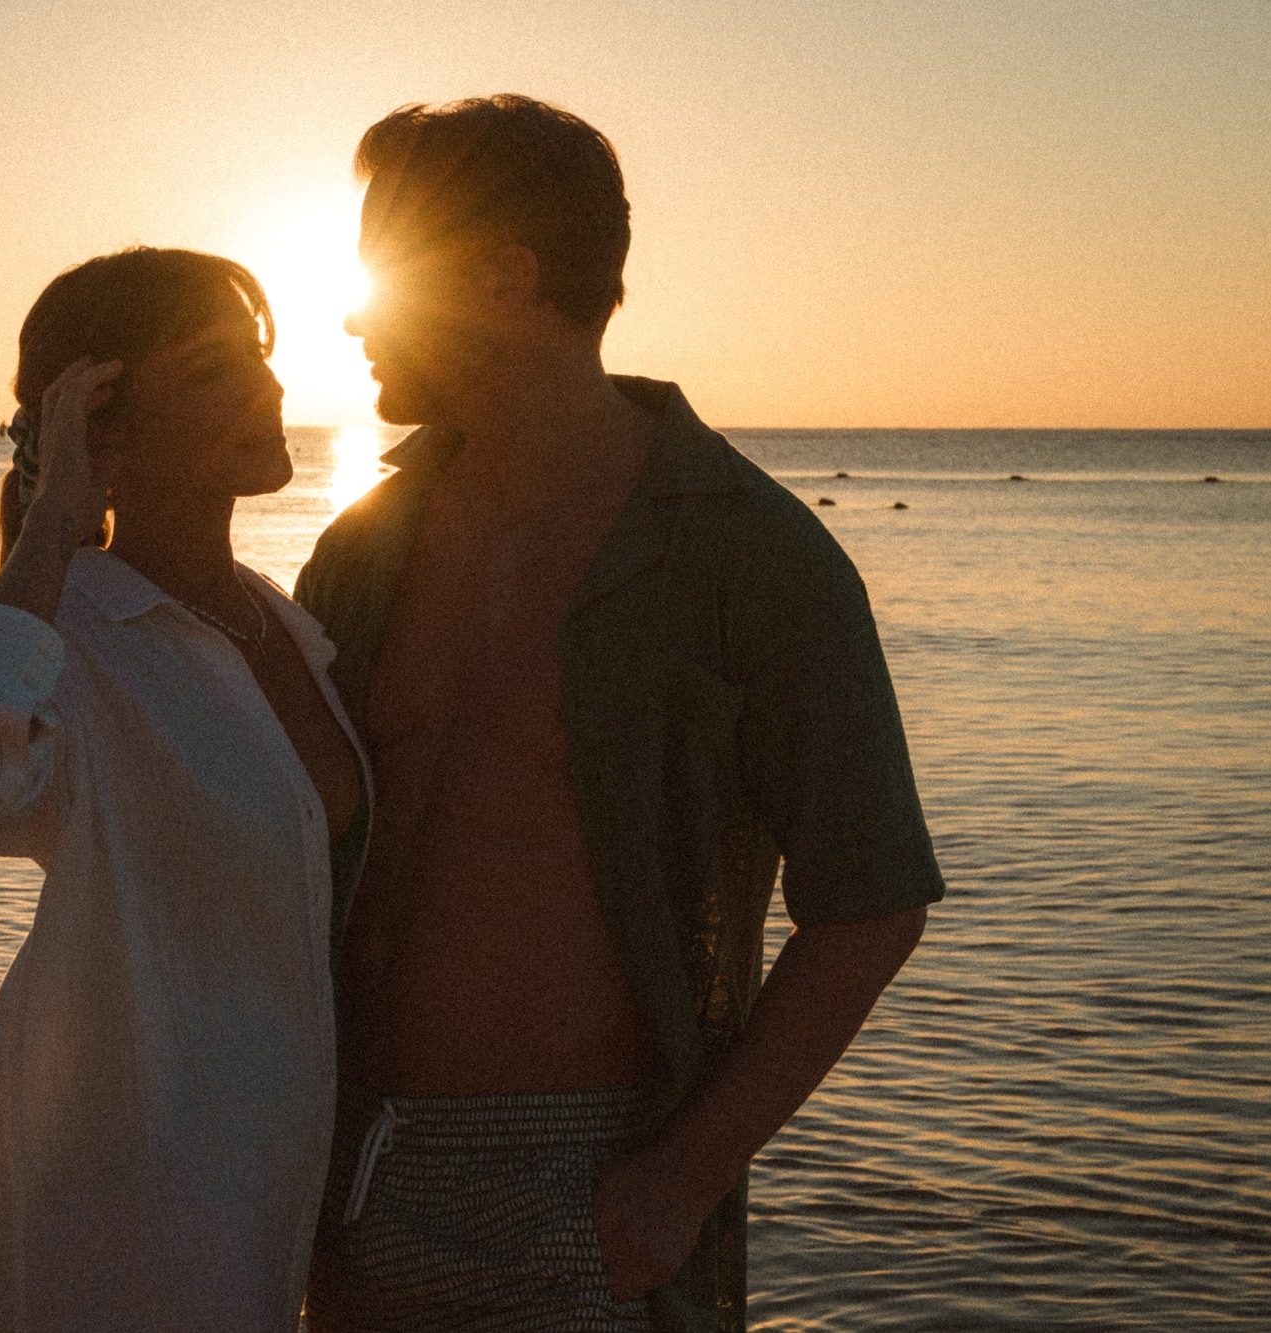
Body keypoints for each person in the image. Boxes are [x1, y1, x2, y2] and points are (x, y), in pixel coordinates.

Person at [294, 96, 946, 1333]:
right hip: (339, 1160)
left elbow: (870, 903)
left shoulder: (747, 554)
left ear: (500, 277)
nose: (351, 313)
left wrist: (671, 1184)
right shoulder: (365, 544)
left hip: (578, 1186)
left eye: (383, 272)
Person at [0, 247, 367, 1332]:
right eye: (213, 373)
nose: (266, 389)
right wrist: (57, 518)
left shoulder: (282, 627)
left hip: (273, 1194)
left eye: (258, 358)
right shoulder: (79, 637)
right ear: (105, 427)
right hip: (120, 1221)